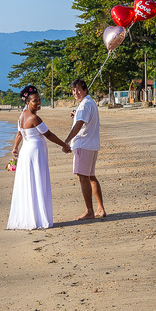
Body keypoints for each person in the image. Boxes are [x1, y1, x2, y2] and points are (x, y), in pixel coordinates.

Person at [7, 86, 70, 230]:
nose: (39, 103)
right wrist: (64, 145)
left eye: (40, 100)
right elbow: (48, 134)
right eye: (35, 101)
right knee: (37, 181)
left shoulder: (22, 116)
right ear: (28, 102)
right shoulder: (34, 118)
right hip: (35, 152)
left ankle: (31, 217)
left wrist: (15, 147)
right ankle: (39, 218)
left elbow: (19, 134)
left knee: (29, 183)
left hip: (26, 151)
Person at [63, 79, 105, 220]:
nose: (76, 93)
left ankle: (89, 211)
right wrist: (76, 115)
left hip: (83, 144)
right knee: (90, 176)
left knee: (83, 177)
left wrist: (66, 141)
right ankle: (100, 208)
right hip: (91, 145)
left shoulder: (84, 105)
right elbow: (82, 119)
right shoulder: (89, 103)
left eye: (79, 90)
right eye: (74, 90)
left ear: (85, 90)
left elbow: (79, 125)